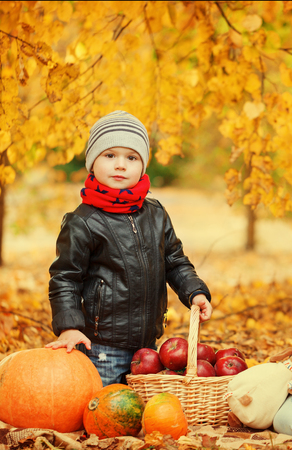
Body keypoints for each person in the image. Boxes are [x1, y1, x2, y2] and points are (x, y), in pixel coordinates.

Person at [46, 110, 213, 386]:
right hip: (101, 347)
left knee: (139, 416)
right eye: (110, 155)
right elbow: (65, 278)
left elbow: (175, 261)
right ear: (92, 162)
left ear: (142, 165)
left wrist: (194, 291)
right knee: (105, 413)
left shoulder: (155, 213)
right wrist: (69, 327)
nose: (120, 165)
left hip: (148, 347)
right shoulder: (83, 222)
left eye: (131, 157)